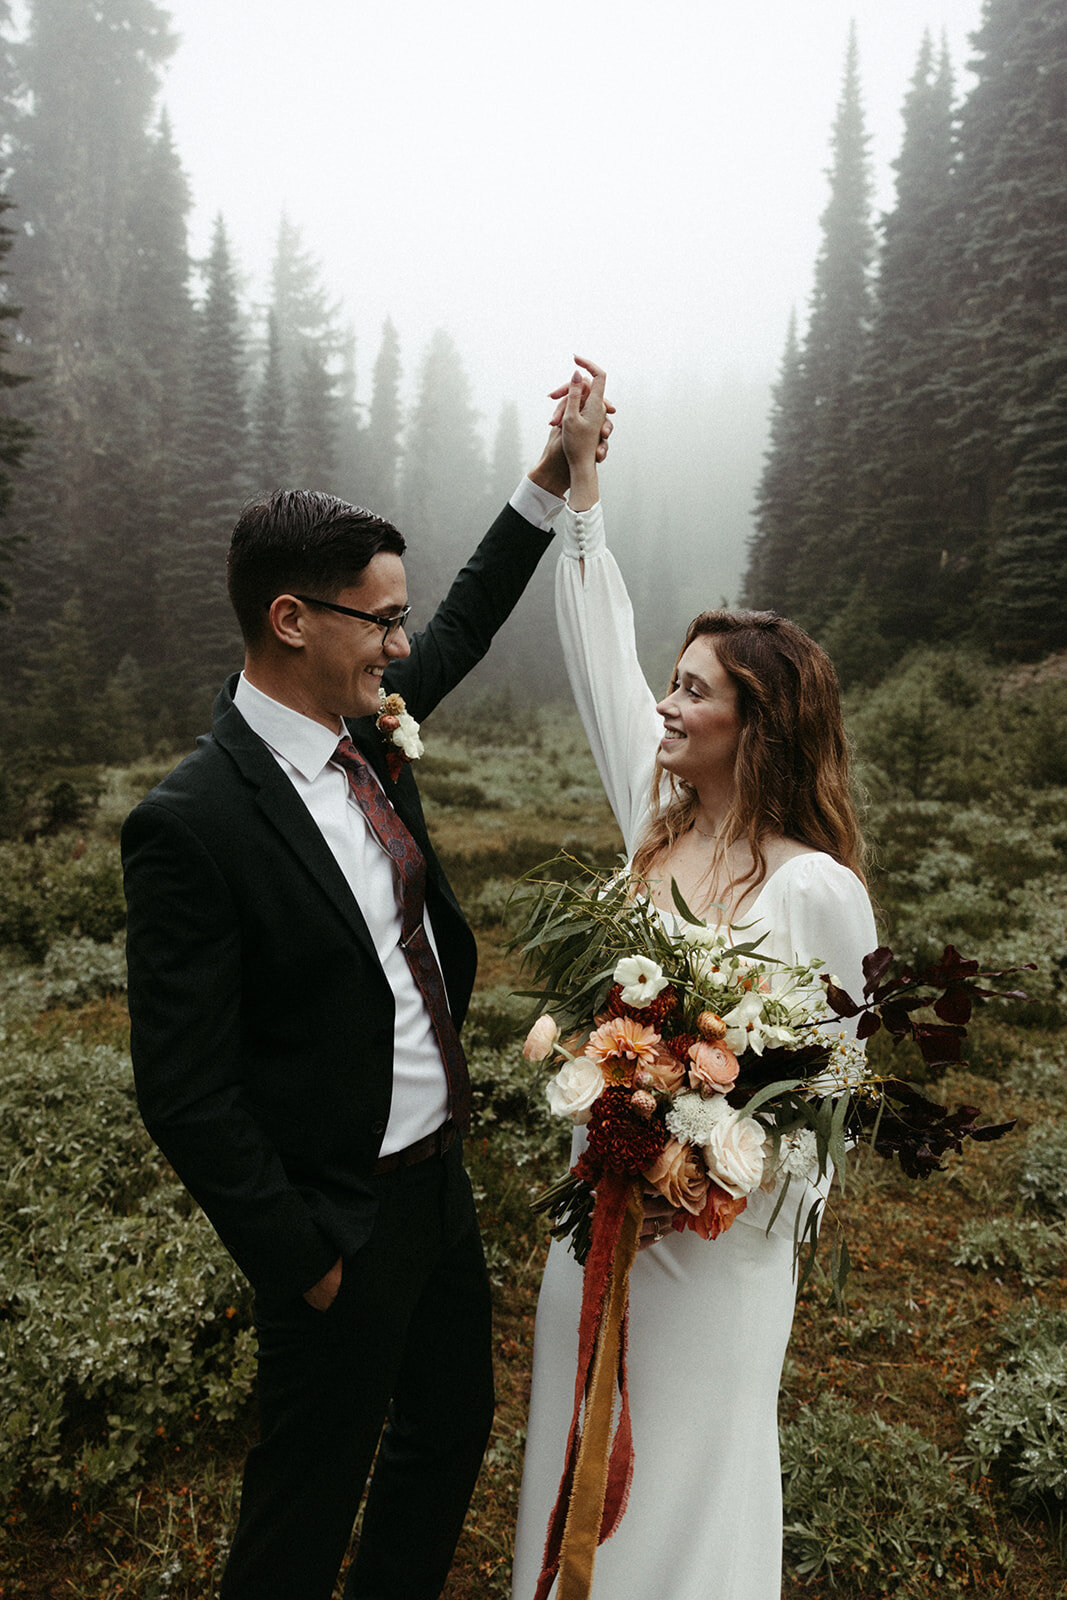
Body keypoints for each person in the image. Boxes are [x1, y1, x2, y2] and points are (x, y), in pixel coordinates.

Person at [121, 363, 610, 1600]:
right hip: (335, 1220)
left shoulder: (368, 726)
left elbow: (465, 620)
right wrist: (304, 1256)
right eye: (378, 621)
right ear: (292, 620)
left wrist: (548, 478)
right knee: (302, 1507)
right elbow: (181, 1087)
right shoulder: (192, 822)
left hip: (437, 1189)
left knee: (447, 1433)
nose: (401, 645)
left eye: (398, 622)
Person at [510, 362, 877, 1600]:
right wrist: (581, 484)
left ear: (757, 723)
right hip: (597, 1227)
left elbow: (835, 1099)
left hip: (716, 1258)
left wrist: (712, 1165)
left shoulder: (815, 890)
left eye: (693, 691)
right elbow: (598, 654)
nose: (663, 707)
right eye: (670, 684)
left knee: (683, 1480)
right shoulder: (652, 828)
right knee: (574, 1443)